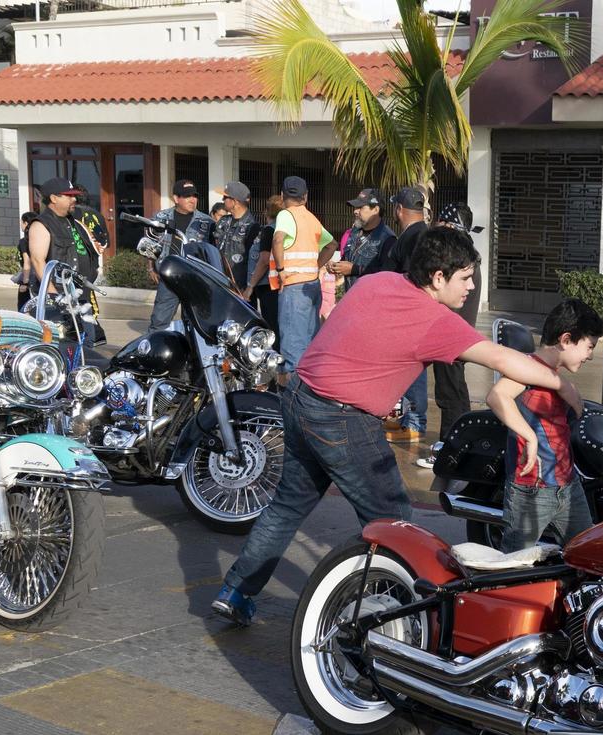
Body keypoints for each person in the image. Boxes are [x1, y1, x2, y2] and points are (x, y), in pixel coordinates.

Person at [211, 226, 568, 626]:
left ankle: (236, 592)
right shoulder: (436, 321)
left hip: (298, 398)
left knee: (287, 507)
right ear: (438, 277)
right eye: (465, 278)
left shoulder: (378, 281)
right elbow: (503, 360)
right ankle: (391, 614)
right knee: (392, 519)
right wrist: (560, 382)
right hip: (340, 418)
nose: (471, 287)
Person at [489, 299, 603, 551]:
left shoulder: (551, 374)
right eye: (588, 346)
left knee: (588, 554)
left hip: (568, 486)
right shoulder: (526, 369)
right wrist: (529, 435)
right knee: (515, 566)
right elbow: (497, 396)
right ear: (565, 340)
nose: (591, 355)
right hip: (532, 490)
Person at [417, 202, 485, 469]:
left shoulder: (462, 258)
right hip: (452, 333)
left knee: (452, 394)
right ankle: (457, 446)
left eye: (441, 224)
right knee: (452, 392)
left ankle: (453, 448)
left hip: (452, 335)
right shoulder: (464, 254)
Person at [272, 175, 336, 376]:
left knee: (292, 347)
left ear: (282, 196)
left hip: (293, 287)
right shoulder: (311, 218)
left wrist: (281, 271)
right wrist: (315, 266)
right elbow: (332, 245)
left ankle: (293, 398)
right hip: (312, 286)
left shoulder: (285, 215)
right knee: (308, 342)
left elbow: (277, 240)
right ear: (305, 197)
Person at [383, 186, 430, 444]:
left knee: (413, 370)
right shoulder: (418, 233)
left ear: (399, 209)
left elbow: (411, 278)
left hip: (410, 314)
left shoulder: (414, 237)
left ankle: (414, 423)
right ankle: (408, 419)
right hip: (412, 313)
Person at [147, 179, 215, 330]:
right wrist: (151, 267)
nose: (193, 200)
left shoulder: (207, 222)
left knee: (195, 324)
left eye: (195, 196)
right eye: (187, 196)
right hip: (169, 277)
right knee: (159, 321)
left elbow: (212, 252)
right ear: (176, 198)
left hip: (195, 279)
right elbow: (151, 243)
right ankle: (153, 351)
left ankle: (192, 353)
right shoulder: (160, 218)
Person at [26, 177, 101, 314]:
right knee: (67, 335)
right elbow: (38, 261)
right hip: (60, 300)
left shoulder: (72, 222)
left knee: (94, 335)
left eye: (74, 196)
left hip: (81, 296)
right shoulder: (41, 225)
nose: (74, 200)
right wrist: (56, 298)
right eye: (69, 196)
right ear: (54, 198)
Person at [328, 188, 395, 290]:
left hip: (372, 301)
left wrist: (355, 269)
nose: (355, 211)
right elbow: (348, 260)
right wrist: (337, 266)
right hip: (351, 297)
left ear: (376, 210)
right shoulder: (354, 232)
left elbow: (388, 274)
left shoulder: (387, 239)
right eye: (355, 207)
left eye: (360, 207)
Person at [244, 193, 283, 340]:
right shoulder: (281, 229)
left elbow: (264, 260)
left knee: (272, 327)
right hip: (274, 285)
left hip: (267, 286)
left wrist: (250, 286)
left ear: (267, 211)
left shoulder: (269, 230)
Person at [213, 180, 259, 291]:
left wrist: (248, 288)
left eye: (225, 197)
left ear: (235, 201)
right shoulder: (223, 221)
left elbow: (254, 261)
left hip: (239, 288)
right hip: (219, 282)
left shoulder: (252, 226)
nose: (222, 200)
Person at [15, 210, 37, 311]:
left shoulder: (24, 241)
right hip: (40, 277)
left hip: (29, 279)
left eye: (21, 222)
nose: (20, 225)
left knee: (23, 307)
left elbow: (27, 262)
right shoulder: (38, 239)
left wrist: (25, 283)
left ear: (26, 223)